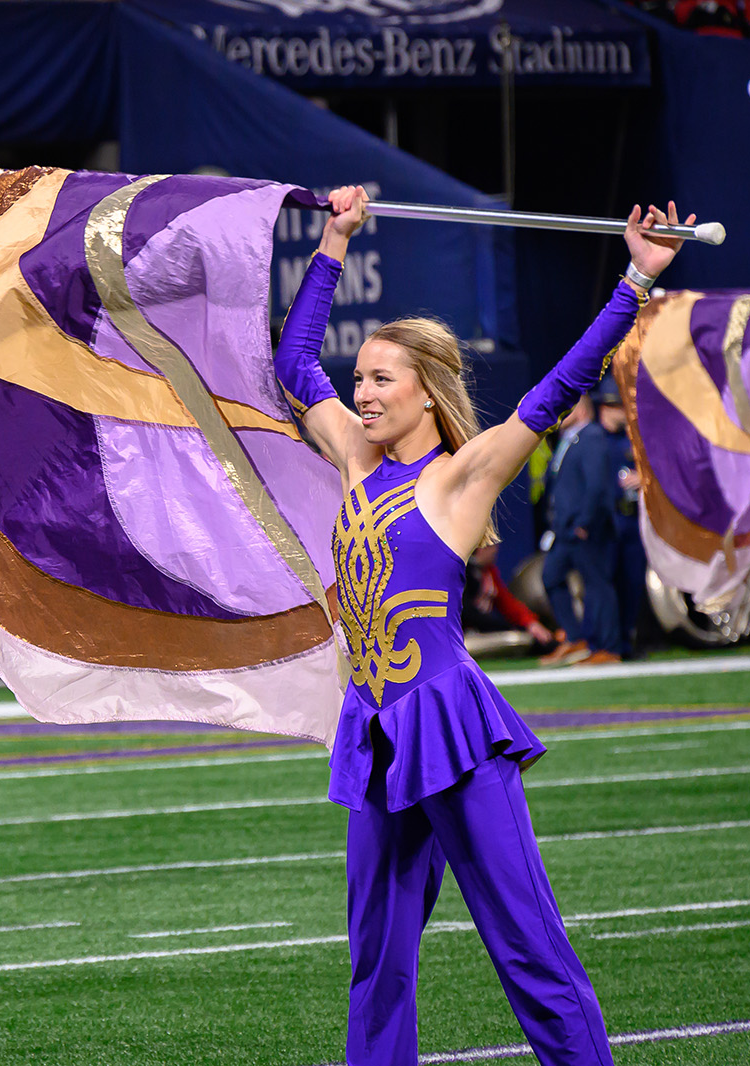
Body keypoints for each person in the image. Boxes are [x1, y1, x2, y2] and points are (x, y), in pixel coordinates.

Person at [274, 184, 689, 1066]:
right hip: (378, 732)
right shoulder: (352, 455)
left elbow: (560, 385)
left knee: (525, 945)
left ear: (428, 394)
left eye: (382, 379)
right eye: (361, 380)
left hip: (451, 726)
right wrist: (333, 241)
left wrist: (636, 283)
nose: (364, 392)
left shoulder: (462, 478)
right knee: (376, 960)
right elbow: (293, 361)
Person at [539, 394, 622, 667]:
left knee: (597, 585)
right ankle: (576, 639)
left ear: (582, 407)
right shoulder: (568, 439)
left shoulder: (592, 436)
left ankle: (608, 647)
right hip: (565, 529)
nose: (560, 411)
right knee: (551, 576)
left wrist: (584, 522)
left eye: (567, 405)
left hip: (585, 528)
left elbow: (597, 485)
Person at [594, 376, 648, 658]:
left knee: (631, 582)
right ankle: (607, 645)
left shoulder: (633, 440)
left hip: (630, 519)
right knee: (605, 586)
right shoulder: (594, 439)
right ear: (606, 407)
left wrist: (644, 478)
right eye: (619, 406)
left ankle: (626, 642)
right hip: (607, 521)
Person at [463, 543, 554, 647]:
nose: (495, 550)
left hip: (483, 630)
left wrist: (530, 623)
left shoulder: (489, 573)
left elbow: (506, 603)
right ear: (480, 549)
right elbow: (467, 612)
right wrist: (504, 628)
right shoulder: (463, 572)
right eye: (491, 547)